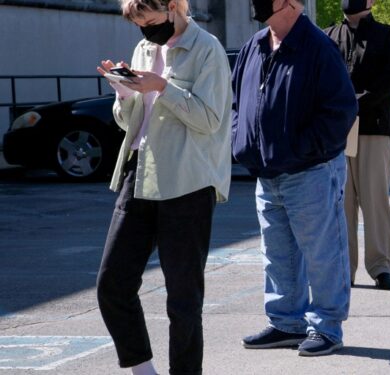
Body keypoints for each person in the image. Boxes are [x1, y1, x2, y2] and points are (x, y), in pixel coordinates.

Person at [95, 0, 233, 373]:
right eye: (139, 24)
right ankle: (143, 369)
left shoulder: (208, 49)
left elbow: (209, 119)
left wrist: (163, 87)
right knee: (112, 285)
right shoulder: (145, 48)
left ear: (174, 7)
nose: (145, 31)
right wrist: (123, 92)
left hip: (188, 181)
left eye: (151, 21)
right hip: (139, 173)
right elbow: (130, 122)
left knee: (184, 299)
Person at [232, 0, 357, 357]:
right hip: (267, 172)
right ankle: (286, 323)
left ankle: (327, 328)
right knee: (277, 254)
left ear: (291, 3)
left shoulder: (318, 47)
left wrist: (301, 149)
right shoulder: (254, 46)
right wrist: (242, 143)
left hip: (310, 171)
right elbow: (237, 103)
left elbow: (341, 111)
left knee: (323, 253)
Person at [325, 0, 390, 290]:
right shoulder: (328, 35)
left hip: (373, 127)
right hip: (337, 132)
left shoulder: (387, 35)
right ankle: (344, 269)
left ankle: (381, 267)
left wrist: (354, 102)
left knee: (375, 201)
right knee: (340, 205)